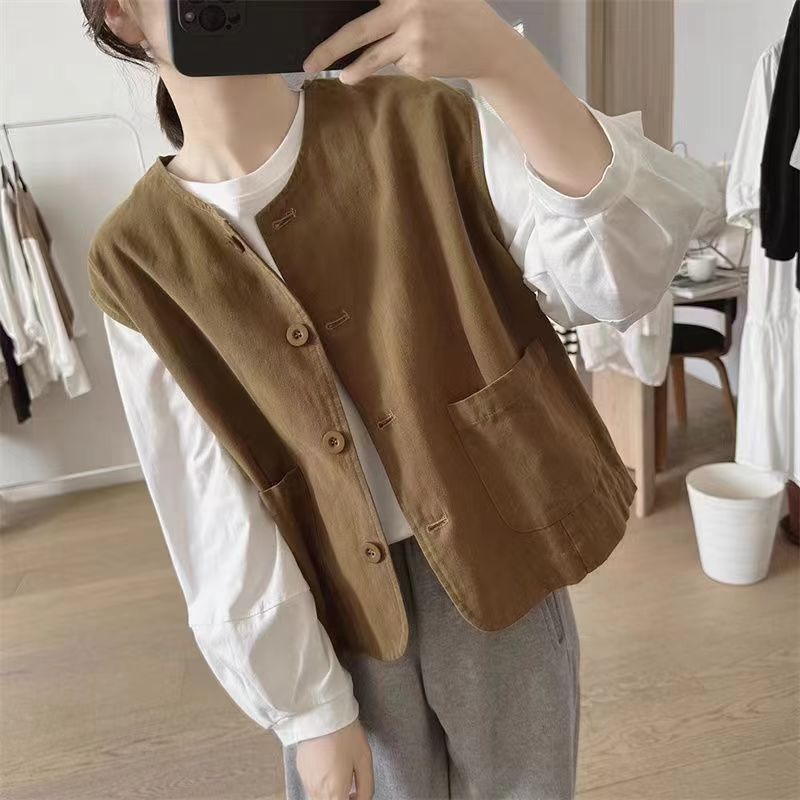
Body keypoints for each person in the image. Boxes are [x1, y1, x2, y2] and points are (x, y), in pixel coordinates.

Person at [81, 1, 716, 798]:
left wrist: (502, 61)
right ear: (121, 14)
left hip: (502, 548)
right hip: (332, 609)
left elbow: (619, 280)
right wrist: (309, 709)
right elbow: (207, 502)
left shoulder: (422, 117)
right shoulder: (136, 259)